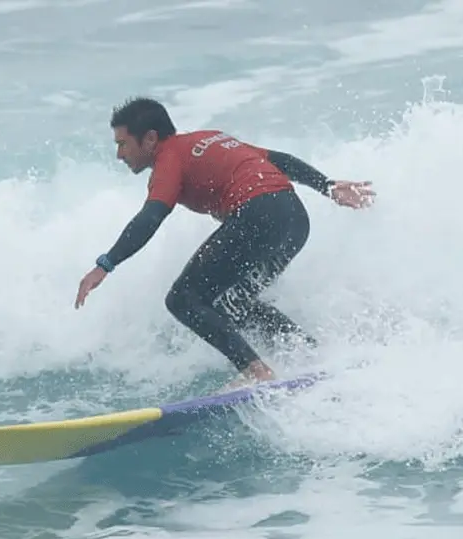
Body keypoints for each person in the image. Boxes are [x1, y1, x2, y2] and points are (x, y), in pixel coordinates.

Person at [74, 97, 375, 390]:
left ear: (150, 138)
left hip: (257, 214)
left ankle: (255, 371)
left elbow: (151, 217)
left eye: (122, 144)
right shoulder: (210, 139)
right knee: (233, 303)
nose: (119, 155)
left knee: (183, 299)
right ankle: (309, 354)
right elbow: (277, 160)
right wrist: (327, 186)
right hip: (295, 220)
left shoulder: (169, 158)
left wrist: (106, 264)